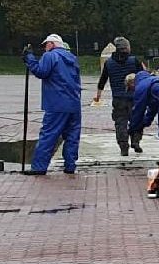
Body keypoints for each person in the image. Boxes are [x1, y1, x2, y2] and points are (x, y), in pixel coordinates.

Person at [23, 34, 83, 175]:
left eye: (45, 45)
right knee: (72, 136)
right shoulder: (72, 58)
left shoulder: (50, 56)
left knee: (49, 134)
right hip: (74, 103)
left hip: (57, 103)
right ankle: (70, 166)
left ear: (51, 44)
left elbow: (41, 72)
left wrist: (30, 58)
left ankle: (39, 167)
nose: (44, 49)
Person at [94, 36, 146, 156]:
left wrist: (98, 96)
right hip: (135, 97)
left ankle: (123, 147)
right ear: (127, 48)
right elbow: (144, 77)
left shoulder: (109, 63)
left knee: (120, 123)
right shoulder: (134, 61)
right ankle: (136, 141)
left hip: (118, 99)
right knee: (137, 120)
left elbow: (102, 81)